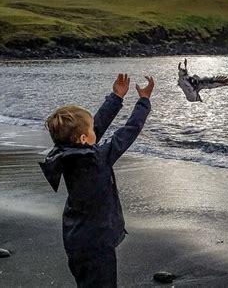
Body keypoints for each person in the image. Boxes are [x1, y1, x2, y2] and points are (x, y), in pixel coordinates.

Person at [39, 73, 154, 287]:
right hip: (97, 242)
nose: (96, 132)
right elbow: (128, 132)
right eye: (90, 131)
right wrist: (144, 101)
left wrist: (116, 97)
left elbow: (96, 127)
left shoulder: (66, 152)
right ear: (84, 138)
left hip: (75, 236)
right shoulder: (96, 159)